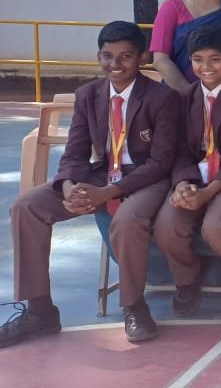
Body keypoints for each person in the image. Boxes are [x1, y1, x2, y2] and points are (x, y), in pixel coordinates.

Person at [3, 22, 180, 347]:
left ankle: (134, 306)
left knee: (127, 220)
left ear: (142, 57)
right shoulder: (88, 95)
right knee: (26, 207)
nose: (116, 64)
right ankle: (39, 311)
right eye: (108, 56)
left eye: (125, 56)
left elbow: (161, 162)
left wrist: (107, 193)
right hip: (101, 174)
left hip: (145, 179)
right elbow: (75, 151)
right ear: (98, 56)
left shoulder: (162, 97)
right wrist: (68, 185)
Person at [153, 25, 221, 322]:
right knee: (166, 226)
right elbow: (179, 151)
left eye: (215, 59)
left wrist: (209, 192)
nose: (206, 67)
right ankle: (188, 279)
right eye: (198, 60)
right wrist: (182, 184)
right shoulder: (183, 98)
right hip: (195, 176)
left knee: (215, 227)